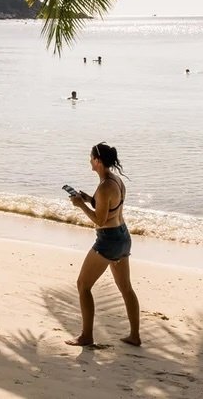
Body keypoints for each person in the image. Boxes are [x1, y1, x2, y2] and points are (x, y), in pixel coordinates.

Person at [66, 142, 141, 347]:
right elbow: (109, 208)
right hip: (123, 236)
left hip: (108, 241)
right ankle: (135, 335)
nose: (89, 160)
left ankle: (86, 336)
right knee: (126, 288)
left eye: (91, 157)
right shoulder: (115, 181)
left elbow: (100, 220)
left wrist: (80, 205)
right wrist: (90, 199)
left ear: (97, 161)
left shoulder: (104, 187)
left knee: (83, 285)